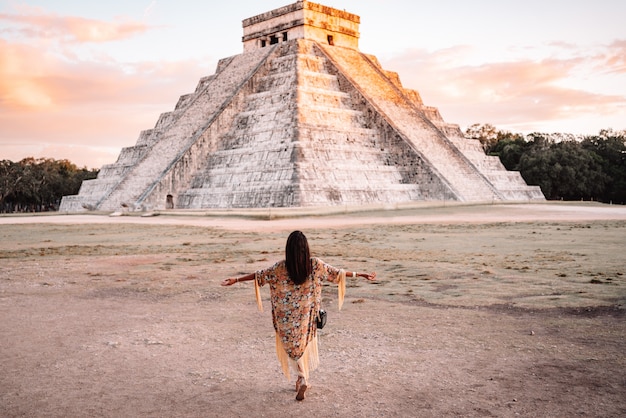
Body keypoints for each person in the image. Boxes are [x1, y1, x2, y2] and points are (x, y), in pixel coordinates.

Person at [221, 230, 376, 401]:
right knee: (302, 347)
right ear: (306, 248)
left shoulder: (280, 268)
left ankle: (301, 377)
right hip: (306, 318)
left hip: (286, 319)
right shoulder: (315, 265)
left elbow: (259, 275)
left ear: (288, 249)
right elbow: (337, 273)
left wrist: (235, 280)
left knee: (292, 349)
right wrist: (359, 274)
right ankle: (301, 378)